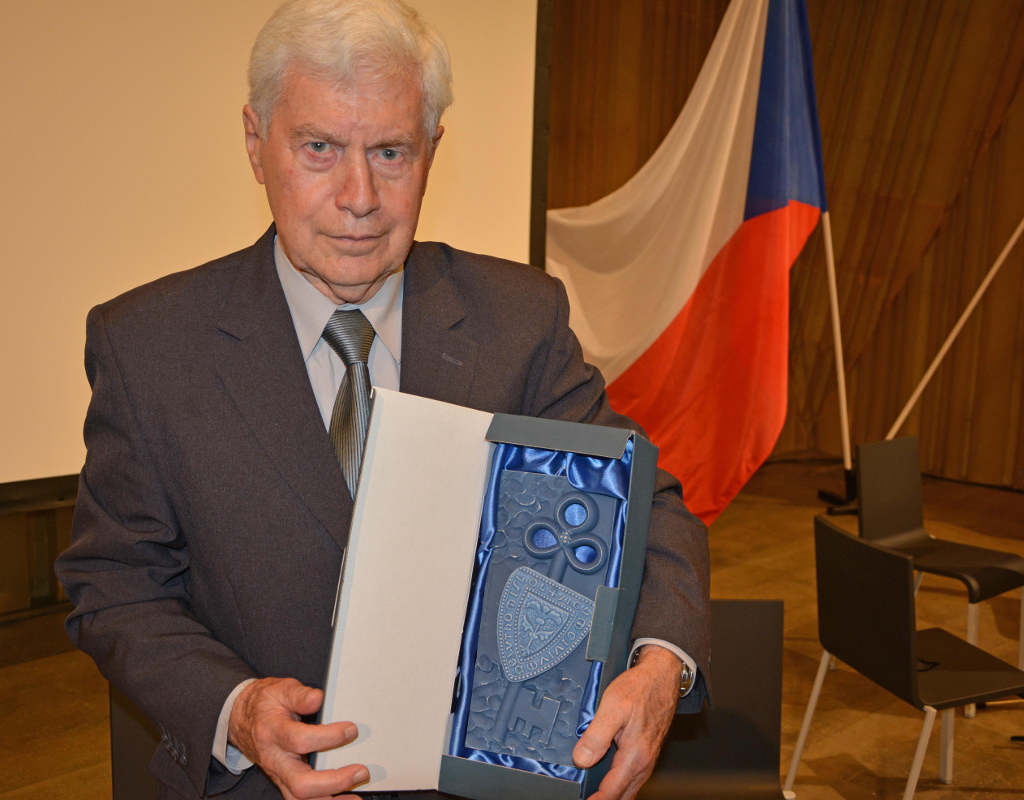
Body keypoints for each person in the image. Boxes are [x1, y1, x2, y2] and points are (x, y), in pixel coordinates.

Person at [54, 2, 710, 799]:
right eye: (320, 148)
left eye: (391, 152)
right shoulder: (149, 346)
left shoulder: (519, 320)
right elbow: (116, 582)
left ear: (432, 150)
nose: (359, 196)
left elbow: (644, 505)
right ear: (256, 143)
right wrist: (235, 709)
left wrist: (661, 664)